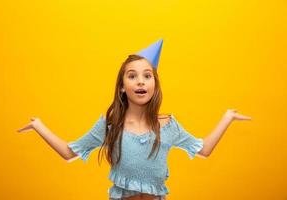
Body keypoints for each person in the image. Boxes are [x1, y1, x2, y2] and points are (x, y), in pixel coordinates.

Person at [17, 39, 252, 200]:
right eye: (132, 76)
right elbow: (69, 152)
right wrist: (39, 126)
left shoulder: (168, 126)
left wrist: (227, 117)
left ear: (154, 85)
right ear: (122, 87)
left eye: (147, 76)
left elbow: (204, 149)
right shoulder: (111, 126)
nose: (140, 81)